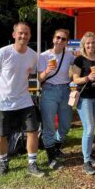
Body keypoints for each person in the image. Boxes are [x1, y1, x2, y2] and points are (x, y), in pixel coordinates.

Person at [0, 22, 44, 177]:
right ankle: (3, 164)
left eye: (26, 33)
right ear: (14, 35)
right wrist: (2, 90)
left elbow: (33, 73)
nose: (23, 36)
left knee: (32, 130)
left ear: (30, 36)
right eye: (20, 33)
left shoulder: (33, 55)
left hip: (24, 101)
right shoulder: (2, 53)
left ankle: (32, 164)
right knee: (1, 134)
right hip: (2, 102)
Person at [38, 29, 75, 170]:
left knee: (65, 124)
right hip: (49, 90)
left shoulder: (69, 55)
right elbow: (40, 78)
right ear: (53, 39)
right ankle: (51, 157)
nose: (60, 41)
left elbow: (78, 64)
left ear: (66, 42)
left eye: (63, 39)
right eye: (58, 37)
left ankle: (56, 147)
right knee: (49, 126)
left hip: (65, 91)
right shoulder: (43, 56)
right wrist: (47, 70)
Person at [72, 32, 95, 175]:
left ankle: (89, 156)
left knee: (92, 128)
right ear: (83, 45)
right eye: (88, 43)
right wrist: (87, 78)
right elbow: (75, 79)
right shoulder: (79, 60)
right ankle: (86, 161)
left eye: (93, 42)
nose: (90, 45)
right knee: (89, 128)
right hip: (85, 97)